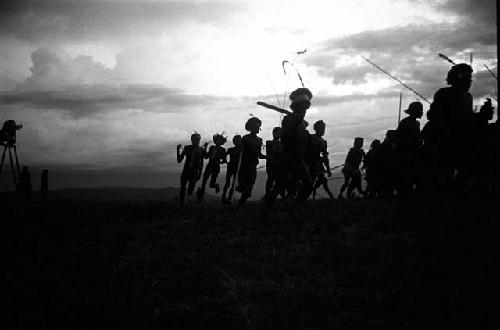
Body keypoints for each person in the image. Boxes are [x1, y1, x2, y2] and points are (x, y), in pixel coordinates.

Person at [264, 87, 314, 210]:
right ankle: (265, 211)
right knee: (279, 186)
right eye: (302, 107)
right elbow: (286, 134)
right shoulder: (288, 120)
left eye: (305, 108)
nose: (304, 111)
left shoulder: (301, 123)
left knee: (307, 185)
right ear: (297, 107)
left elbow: (304, 139)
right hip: (287, 157)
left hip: (298, 158)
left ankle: (293, 207)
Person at [428, 63, 474, 189]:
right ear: (459, 78)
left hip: (464, 142)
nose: (470, 82)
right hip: (446, 142)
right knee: (445, 176)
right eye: (468, 78)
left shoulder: (468, 97)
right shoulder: (443, 94)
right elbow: (432, 116)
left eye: (471, 79)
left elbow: (470, 119)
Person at [237, 117, 266, 205]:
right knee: (243, 185)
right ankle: (240, 203)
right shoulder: (245, 138)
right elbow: (240, 151)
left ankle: (241, 202)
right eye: (256, 126)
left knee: (250, 185)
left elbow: (259, 155)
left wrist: (268, 157)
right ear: (251, 127)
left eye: (258, 126)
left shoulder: (259, 140)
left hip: (253, 165)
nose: (258, 128)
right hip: (244, 165)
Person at [396, 101, 423, 193]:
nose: (421, 112)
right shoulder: (406, 123)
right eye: (420, 110)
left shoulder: (415, 123)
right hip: (407, 154)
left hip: (413, 154)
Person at [177, 133, 207, 206]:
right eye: (196, 139)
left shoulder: (201, 150)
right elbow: (179, 160)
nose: (197, 141)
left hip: (194, 172)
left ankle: (198, 193)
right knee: (183, 188)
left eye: (198, 139)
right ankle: (181, 204)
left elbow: (202, 163)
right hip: (186, 170)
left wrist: (199, 174)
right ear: (192, 140)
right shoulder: (187, 148)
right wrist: (178, 150)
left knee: (190, 191)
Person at [308, 120, 334, 200]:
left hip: (318, 164)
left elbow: (325, 157)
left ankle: (331, 197)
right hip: (309, 163)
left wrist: (328, 169)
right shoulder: (310, 138)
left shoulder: (324, 142)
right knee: (309, 183)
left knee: (321, 180)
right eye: (321, 128)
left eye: (324, 128)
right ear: (315, 128)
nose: (323, 130)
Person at [197, 133, 227, 200]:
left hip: (216, 167)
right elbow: (206, 157)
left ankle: (216, 186)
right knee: (204, 181)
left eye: (219, 140)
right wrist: (205, 148)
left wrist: (219, 162)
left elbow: (224, 160)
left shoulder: (223, 150)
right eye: (216, 140)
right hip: (210, 165)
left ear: (221, 141)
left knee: (211, 184)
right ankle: (200, 196)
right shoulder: (212, 147)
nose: (217, 141)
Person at [222, 134, 242, 203]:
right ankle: (225, 197)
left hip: (235, 168)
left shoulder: (241, 149)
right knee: (228, 183)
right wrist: (226, 161)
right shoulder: (232, 149)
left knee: (232, 184)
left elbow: (225, 156)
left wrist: (226, 161)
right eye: (235, 140)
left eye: (238, 140)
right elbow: (225, 155)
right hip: (231, 167)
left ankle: (229, 198)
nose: (236, 142)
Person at [265, 127, 283, 197]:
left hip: (279, 164)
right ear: (273, 133)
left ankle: (279, 194)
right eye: (277, 133)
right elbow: (271, 152)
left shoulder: (282, 143)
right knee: (271, 178)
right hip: (270, 163)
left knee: (278, 179)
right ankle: (267, 193)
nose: (278, 134)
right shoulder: (269, 142)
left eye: (280, 133)